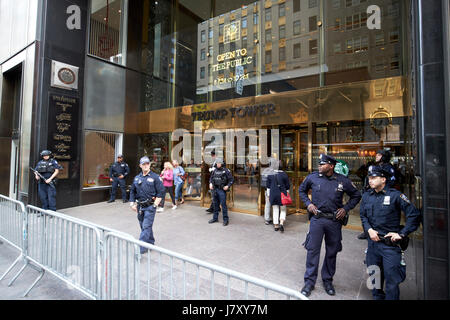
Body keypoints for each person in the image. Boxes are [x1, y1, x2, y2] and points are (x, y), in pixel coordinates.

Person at [298, 154, 362, 297]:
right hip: (317, 219)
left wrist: (345, 209)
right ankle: (309, 282)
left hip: (334, 221)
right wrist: (308, 204)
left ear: (331, 166)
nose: (319, 166)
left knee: (332, 252)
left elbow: (356, 195)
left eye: (322, 164)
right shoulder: (313, 177)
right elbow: (301, 190)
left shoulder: (342, 180)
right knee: (312, 250)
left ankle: (327, 280)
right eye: (319, 164)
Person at [360, 165, 421, 300]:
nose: (370, 180)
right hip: (373, 244)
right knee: (374, 276)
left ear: (383, 179)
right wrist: (369, 230)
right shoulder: (366, 196)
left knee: (391, 281)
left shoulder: (395, 195)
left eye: (374, 178)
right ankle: (377, 297)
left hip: (389, 246)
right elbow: (363, 216)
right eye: (369, 177)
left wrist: (402, 233)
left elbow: (414, 215)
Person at [129, 156, 165, 254]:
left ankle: (140, 248)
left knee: (146, 226)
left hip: (150, 206)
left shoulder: (155, 177)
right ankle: (150, 242)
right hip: (140, 207)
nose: (146, 165)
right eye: (143, 164)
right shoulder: (137, 178)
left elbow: (161, 192)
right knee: (143, 226)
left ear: (149, 164)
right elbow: (132, 191)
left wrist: (155, 205)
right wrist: (132, 203)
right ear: (140, 165)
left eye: (147, 163)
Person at [357, 149, 396, 239]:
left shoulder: (388, 167)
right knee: (368, 212)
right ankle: (367, 231)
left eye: (379, 155)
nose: (376, 156)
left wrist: (384, 190)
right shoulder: (376, 166)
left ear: (384, 157)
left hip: (382, 194)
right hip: (372, 192)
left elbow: (392, 181)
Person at [208, 158, 234, 226]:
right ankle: (215, 218)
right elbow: (211, 178)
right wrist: (210, 183)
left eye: (219, 163)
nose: (217, 164)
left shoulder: (226, 171)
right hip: (215, 189)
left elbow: (231, 180)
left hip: (221, 190)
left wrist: (228, 186)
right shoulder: (214, 170)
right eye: (217, 163)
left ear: (222, 163)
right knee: (215, 204)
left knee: (223, 205)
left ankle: (225, 220)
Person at [267, 161, 290, 232]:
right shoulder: (284, 174)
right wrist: (287, 194)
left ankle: (276, 225)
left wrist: (268, 195)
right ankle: (281, 223)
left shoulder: (270, 174)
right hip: (282, 194)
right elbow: (287, 186)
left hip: (273, 194)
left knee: (275, 209)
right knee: (283, 209)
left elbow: (268, 186)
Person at [260, 157, 279, 225]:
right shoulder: (274, 171)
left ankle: (267, 219)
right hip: (273, 190)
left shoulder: (265, 171)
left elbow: (262, 181)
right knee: (275, 205)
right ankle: (275, 220)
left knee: (267, 205)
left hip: (266, 190)